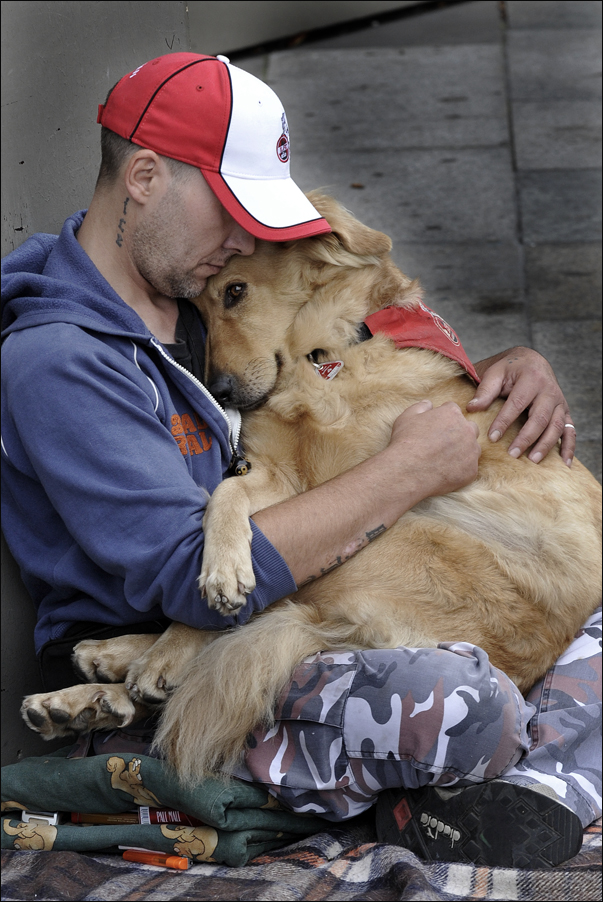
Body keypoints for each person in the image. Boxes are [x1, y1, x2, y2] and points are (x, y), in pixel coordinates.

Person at [1, 52, 600, 869]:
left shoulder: (194, 287)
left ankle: (533, 792)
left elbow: (349, 367)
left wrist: (507, 367)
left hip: (325, 612)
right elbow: (191, 578)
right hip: (167, 663)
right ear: (143, 176)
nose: (247, 239)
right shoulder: (60, 361)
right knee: (460, 702)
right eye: (232, 211)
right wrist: (411, 469)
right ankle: (462, 784)